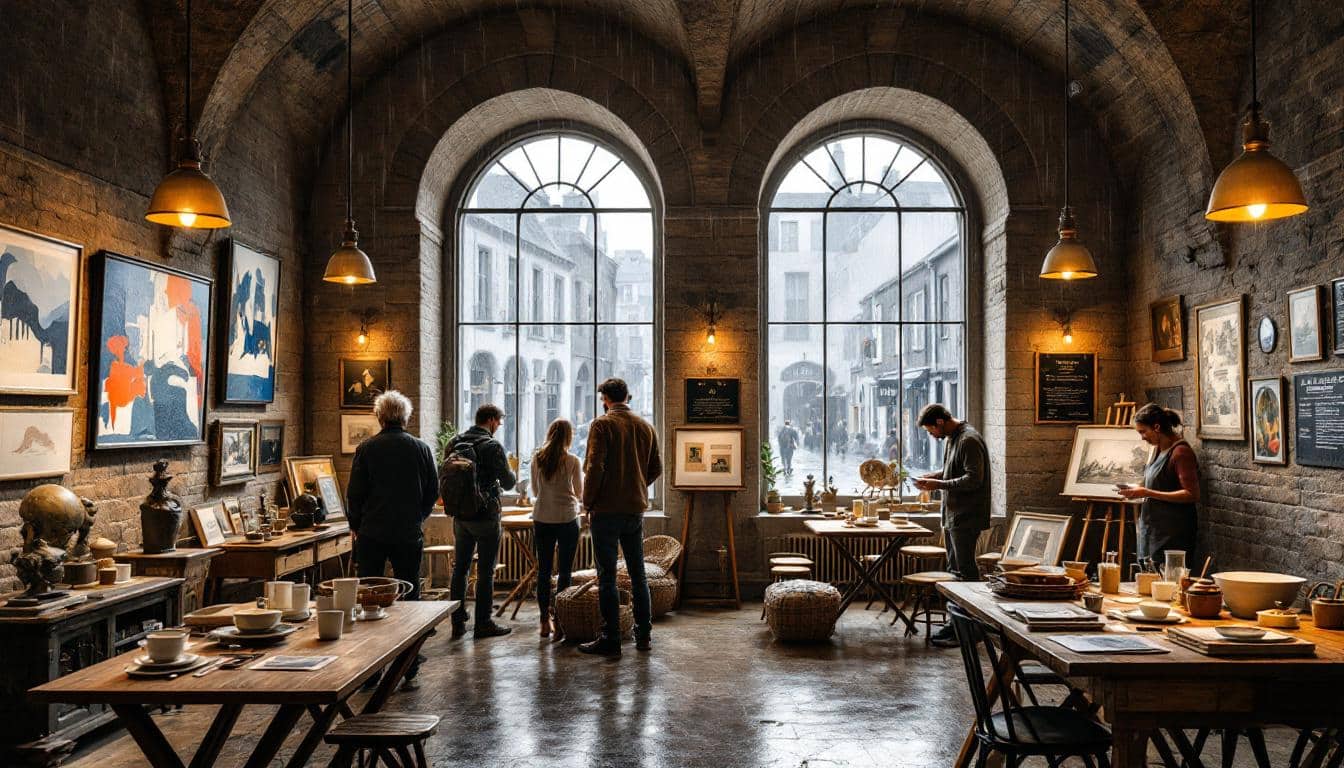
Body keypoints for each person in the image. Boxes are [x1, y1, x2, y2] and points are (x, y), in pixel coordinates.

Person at [346, 390, 438, 688]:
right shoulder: (421, 449)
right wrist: (418, 517)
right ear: (405, 417)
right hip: (407, 532)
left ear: (379, 417)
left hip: (372, 533)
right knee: (410, 598)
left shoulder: (367, 449)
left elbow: (355, 494)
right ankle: (408, 669)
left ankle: (371, 673)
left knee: (369, 600)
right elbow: (432, 491)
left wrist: (356, 526)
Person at [579, 377, 662, 656]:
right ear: (628, 396)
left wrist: (587, 503)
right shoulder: (645, 426)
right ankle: (644, 636)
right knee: (638, 574)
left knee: (607, 576)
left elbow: (595, 467)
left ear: (605, 398)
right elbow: (656, 468)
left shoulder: (602, 424)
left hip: (605, 510)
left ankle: (611, 638)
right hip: (634, 509)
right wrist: (636, 486)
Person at [912, 403, 990, 648]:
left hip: (966, 517)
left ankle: (970, 628)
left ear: (939, 423)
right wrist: (933, 476)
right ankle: (957, 625)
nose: (931, 436)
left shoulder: (969, 440)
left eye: (930, 431)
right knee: (954, 570)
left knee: (965, 573)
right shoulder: (953, 438)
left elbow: (973, 479)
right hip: (954, 515)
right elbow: (951, 471)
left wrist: (938, 486)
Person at [447, 404, 516, 639]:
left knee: (461, 569)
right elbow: (508, 483)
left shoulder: (455, 442)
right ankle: (483, 623)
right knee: (486, 572)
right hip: (486, 516)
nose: (499, 426)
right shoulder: (492, 446)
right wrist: (512, 472)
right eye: (498, 421)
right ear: (490, 420)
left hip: (461, 517)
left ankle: (457, 621)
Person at [1117, 404, 1199, 563]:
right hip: (1154, 528)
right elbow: (1158, 482)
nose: (1142, 437)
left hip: (1174, 532)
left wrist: (1147, 492)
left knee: (1169, 581)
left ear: (1156, 427)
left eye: (1143, 431)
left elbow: (1192, 494)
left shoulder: (1181, 453)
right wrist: (1135, 489)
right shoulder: (1157, 449)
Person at [530, 419, 582, 639]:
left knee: (544, 571)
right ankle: (560, 622)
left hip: (542, 517)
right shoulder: (572, 460)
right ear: (569, 437)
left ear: (550, 433)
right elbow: (579, 492)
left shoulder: (537, 459)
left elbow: (534, 489)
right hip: (567, 518)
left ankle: (544, 621)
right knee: (564, 572)